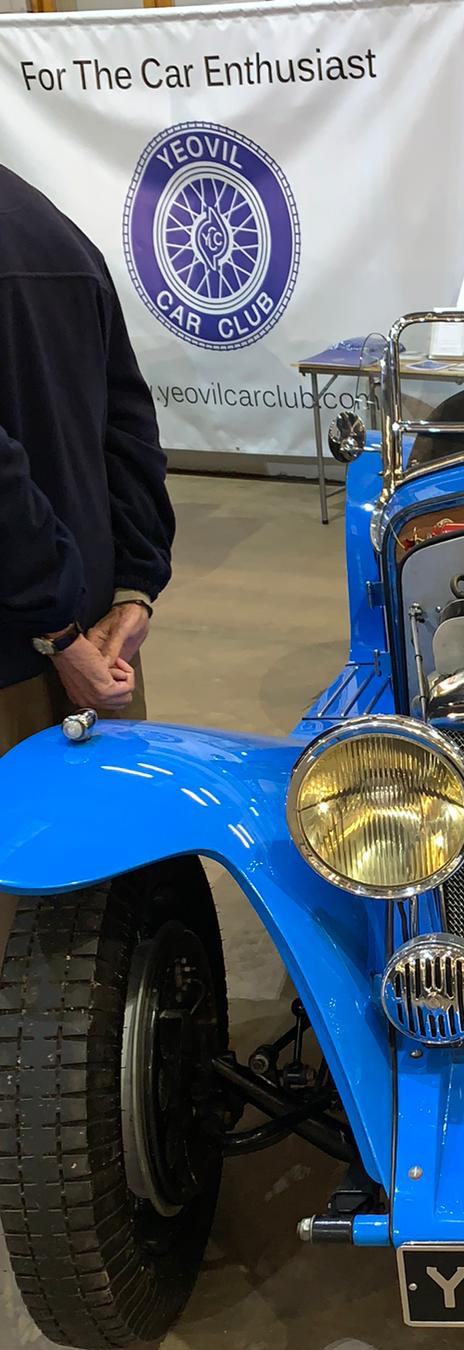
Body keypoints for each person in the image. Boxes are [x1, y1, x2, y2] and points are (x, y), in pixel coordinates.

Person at [0, 163, 174, 943]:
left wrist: (58, 630)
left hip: (41, 644)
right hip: (98, 644)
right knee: (103, 906)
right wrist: (133, 590)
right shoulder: (54, 229)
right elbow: (128, 425)